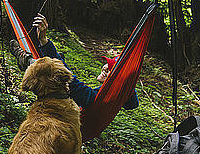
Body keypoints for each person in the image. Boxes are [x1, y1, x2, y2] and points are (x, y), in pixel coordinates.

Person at [9, 14, 138, 110]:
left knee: (50, 74)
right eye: (107, 64)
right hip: (67, 104)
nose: (105, 68)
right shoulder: (110, 95)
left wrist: (44, 40)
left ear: (117, 80)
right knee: (59, 61)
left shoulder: (98, 98)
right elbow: (132, 103)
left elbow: (70, 82)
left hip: (64, 112)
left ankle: (27, 60)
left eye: (110, 69)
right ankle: (33, 60)